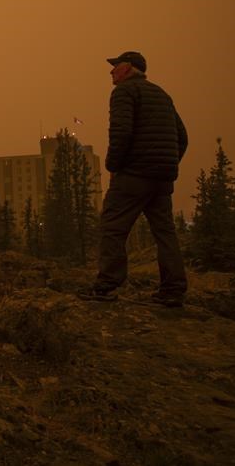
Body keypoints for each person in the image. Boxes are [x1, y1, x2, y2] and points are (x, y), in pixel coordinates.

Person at [78, 51, 189, 307]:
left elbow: (121, 132)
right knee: (165, 234)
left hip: (133, 176)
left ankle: (107, 287)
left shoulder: (124, 92)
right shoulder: (162, 95)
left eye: (115, 66)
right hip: (161, 180)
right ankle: (173, 291)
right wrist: (166, 164)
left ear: (127, 69)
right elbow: (182, 137)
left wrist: (113, 166)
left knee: (113, 227)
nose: (111, 71)